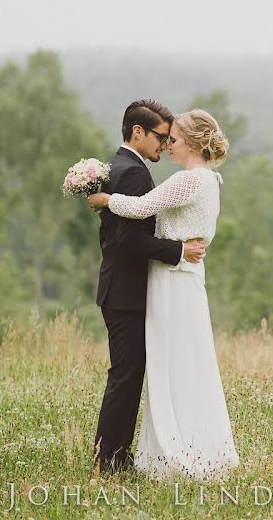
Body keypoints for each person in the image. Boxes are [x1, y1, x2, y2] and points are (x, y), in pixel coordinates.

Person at [88, 108, 239, 480]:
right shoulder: (210, 181)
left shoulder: (189, 180)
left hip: (172, 281)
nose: (168, 144)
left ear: (188, 141)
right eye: (165, 137)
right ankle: (193, 446)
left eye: (172, 139)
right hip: (184, 279)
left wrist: (105, 199)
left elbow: (140, 208)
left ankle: (174, 451)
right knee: (184, 363)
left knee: (172, 365)